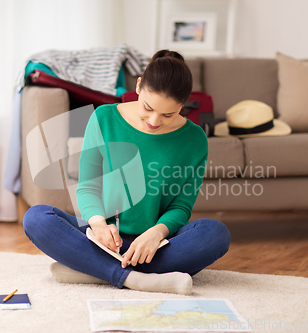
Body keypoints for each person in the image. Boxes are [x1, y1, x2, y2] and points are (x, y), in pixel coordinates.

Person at [23, 49, 231, 295]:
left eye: (168, 114)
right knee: (36, 218)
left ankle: (94, 270)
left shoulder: (195, 139)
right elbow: (88, 186)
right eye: (148, 107)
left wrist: (155, 234)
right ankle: (136, 278)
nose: (154, 120)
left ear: (183, 105)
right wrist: (99, 226)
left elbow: (181, 206)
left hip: (157, 245)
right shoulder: (104, 118)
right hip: (102, 239)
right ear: (139, 86)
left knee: (216, 234)